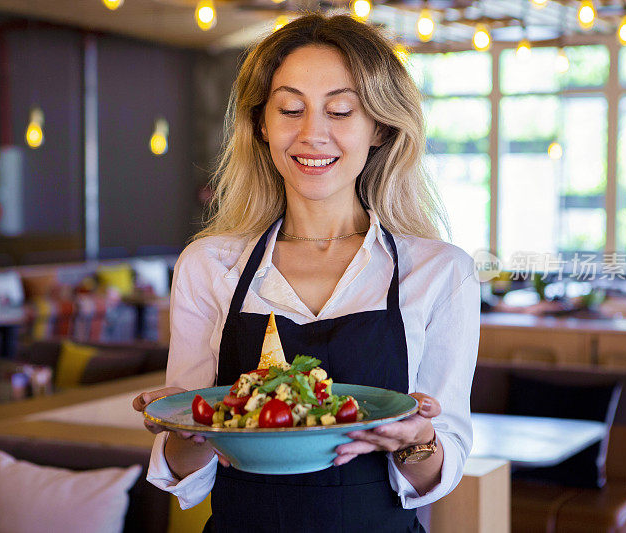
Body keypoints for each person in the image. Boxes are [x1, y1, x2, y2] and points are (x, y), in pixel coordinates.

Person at [132, 13, 479, 532]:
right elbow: (185, 470)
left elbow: (437, 471)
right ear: (262, 126)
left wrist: (417, 441)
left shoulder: (439, 272)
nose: (313, 133)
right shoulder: (210, 265)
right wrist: (185, 426)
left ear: (380, 126)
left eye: (340, 110)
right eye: (290, 109)